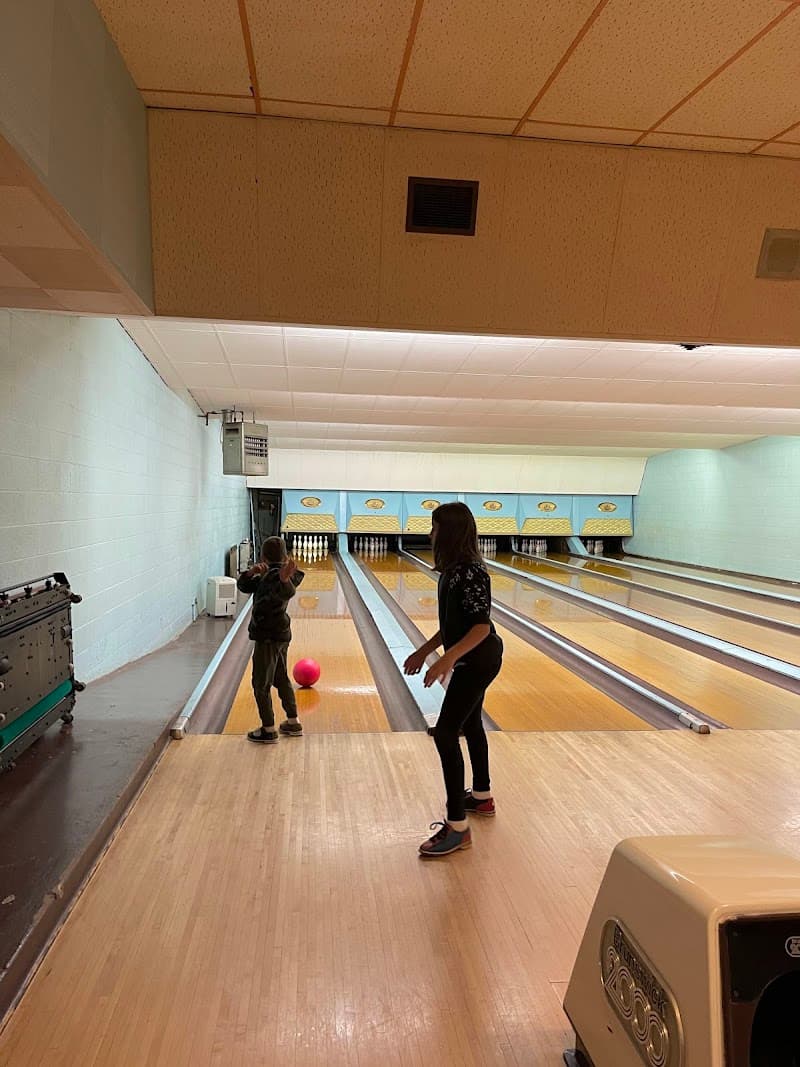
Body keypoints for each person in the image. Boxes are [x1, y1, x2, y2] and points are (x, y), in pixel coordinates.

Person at [403, 502, 503, 857]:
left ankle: (457, 826)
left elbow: (480, 627)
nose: (430, 534)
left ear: (450, 531)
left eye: (434, 527)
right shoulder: (452, 570)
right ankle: (481, 796)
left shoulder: (473, 572)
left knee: (446, 732)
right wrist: (424, 650)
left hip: (479, 658)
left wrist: (446, 659)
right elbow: (453, 626)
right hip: (471, 657)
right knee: (471, 722)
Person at [237, 536, 305, 743]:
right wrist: (251, 573)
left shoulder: (277, 577)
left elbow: (284, 591)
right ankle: (293, 722)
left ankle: (268, 729)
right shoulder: (270, 574)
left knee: (260, 684)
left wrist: (283, 580)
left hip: (268, 637)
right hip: (281, 635)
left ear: (263, 555)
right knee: (280, 677)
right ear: (285, 556)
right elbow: (245, 586)